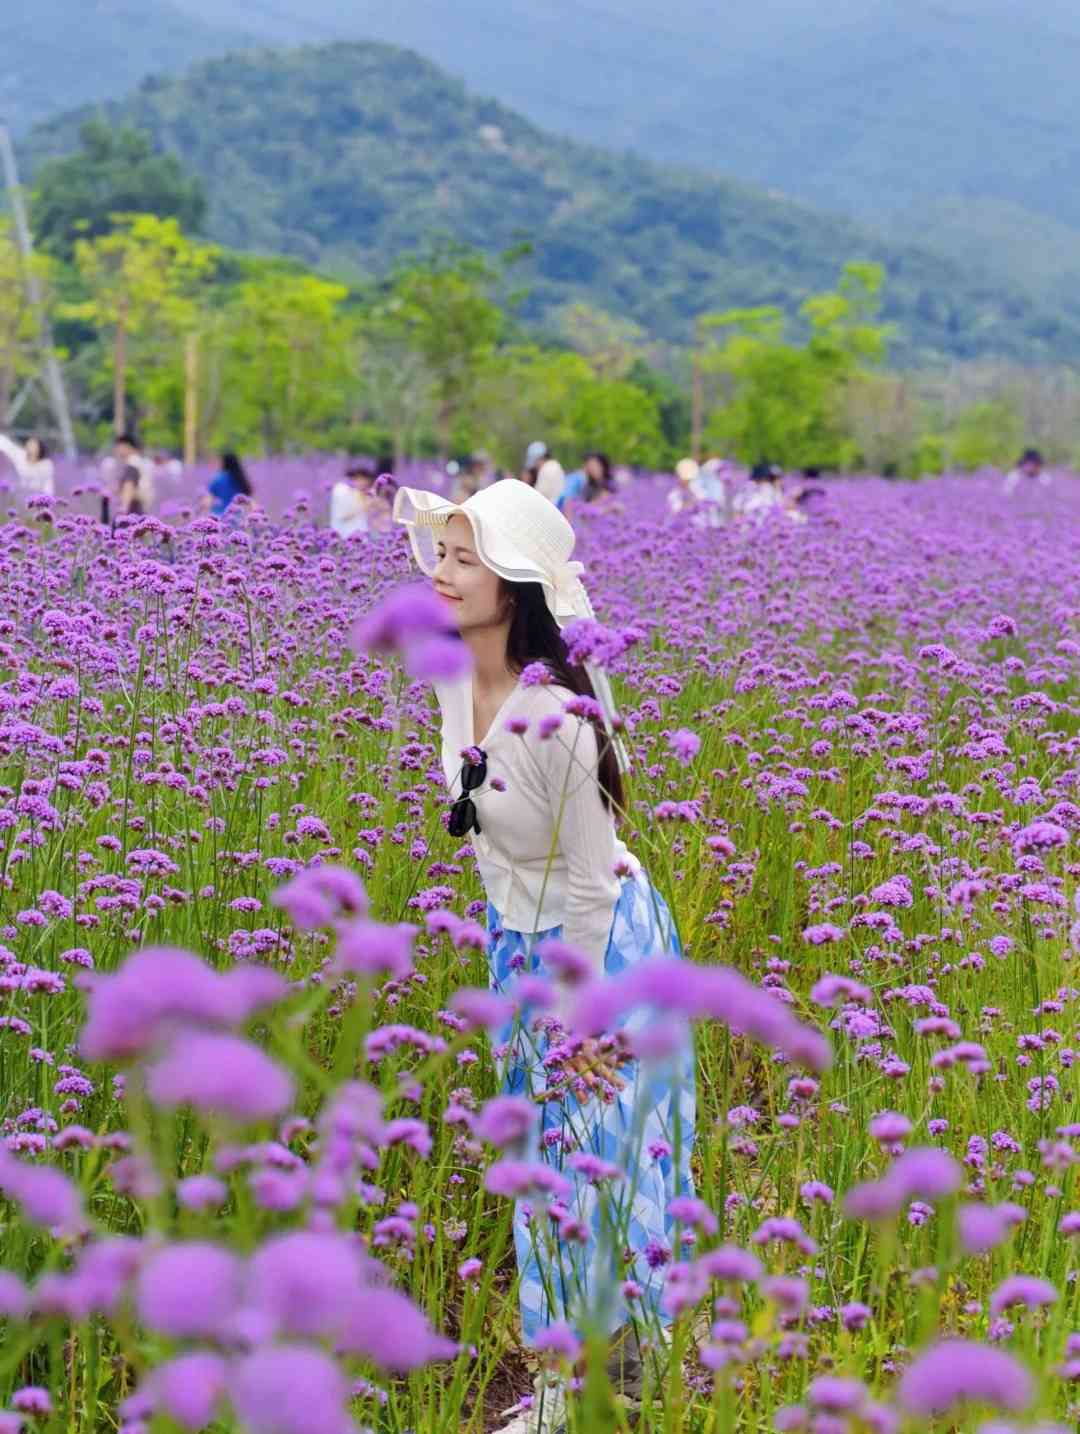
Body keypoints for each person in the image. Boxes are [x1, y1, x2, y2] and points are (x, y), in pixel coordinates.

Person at [393, 480, 695, 1434]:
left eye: (464, 558)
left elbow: (592, 883)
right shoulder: (450, 670)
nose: (441, 575)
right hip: (516, 945)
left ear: (515, 586)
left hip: (597, 951)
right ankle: (571, 1384)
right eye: (439, 554)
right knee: (541, 1171)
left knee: (609, 1166)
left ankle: (626, 1380)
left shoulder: (561, 716)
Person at [111, 434, 155, 520]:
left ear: (127, 446)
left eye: (119, 447)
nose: (117, 450)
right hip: (141, 509)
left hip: (133, 511)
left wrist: (123, 510)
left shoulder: (132, 463)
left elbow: (129, 486)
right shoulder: (140, 461)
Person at [330, 462, 376, 538]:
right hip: (344, 536)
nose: (364, 484)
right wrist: (365, 504)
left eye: (366, 481)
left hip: (359, 538)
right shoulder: (342, 490)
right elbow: (343, 514)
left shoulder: (358, 493)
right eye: (360, 479)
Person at [206, 452, 253, 516]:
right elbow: (250, 502)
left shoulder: (217, 479)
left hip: (218, 517)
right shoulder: (240, 479)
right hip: (237, 517)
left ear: (224, 462)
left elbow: (208, 502)